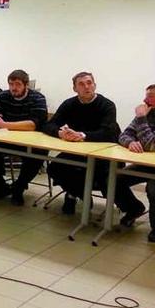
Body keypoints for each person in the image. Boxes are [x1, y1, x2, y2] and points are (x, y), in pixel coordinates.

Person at [43, 71, 120, 214]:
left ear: (95, 85)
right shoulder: (69, 104)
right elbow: (49, 125)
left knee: (97, 175)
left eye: (89, 83)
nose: (86, 87)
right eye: (81, 84)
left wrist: (82, 135)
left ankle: (72, 195)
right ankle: (81, 194)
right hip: (77, 152)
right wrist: (60, 133)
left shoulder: (107, 105)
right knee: (54, 168)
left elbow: (108, 133)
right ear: (75, 88)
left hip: (102, 154)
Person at [115, 82, 155, 242]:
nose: (145, 99)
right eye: (146, 95)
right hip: (149, 163)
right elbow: (124, 135)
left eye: (150, 96)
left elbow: (151, 144)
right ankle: (134, 209)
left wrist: (141, 118)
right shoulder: (147, 111)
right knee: (115, 179)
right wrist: (130, 142)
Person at [0, 70, 48, 205]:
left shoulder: (38, 98)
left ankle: (19, 187)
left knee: (39, 153)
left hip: (29, 141)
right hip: (6, 138)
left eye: (17, 84)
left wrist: (4, 124)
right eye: (11, 84)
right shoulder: (3, 96)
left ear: (26, 85)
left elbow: (33, 124)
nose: (13, 88)